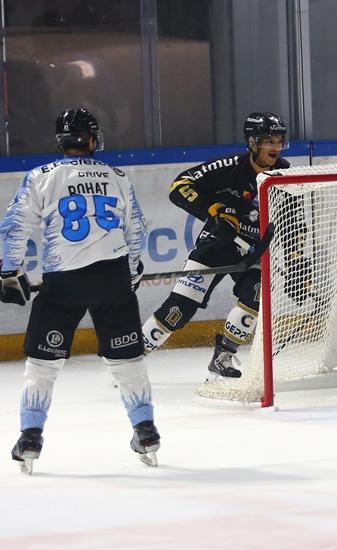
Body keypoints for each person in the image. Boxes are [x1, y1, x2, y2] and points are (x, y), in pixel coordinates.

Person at [2, 108, 160, 473]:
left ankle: (30, 437)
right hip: (112, 278)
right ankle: (145, 430)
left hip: (64, 283)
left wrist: (10, 272)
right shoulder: (117, 176)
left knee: (43, 363)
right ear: (91, 139)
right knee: (127, 361)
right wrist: (130, 272)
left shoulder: (41, 176)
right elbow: (135, 228)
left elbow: (15, 227)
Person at [141, 113, 290, 380]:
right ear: (253, 142)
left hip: (253, 252)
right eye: (269, 140)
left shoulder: (285, 174)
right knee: (178, 311)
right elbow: (180, 186)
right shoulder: (228, 166)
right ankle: (131, 358)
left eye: (279, 140)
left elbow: (294, 219)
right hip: (215, 246)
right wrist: (214, 211)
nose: (276, 147)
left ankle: (223, 356)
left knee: (254, 298)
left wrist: (297, 258)